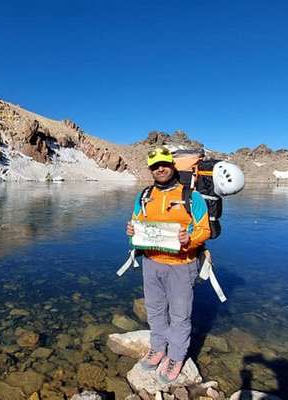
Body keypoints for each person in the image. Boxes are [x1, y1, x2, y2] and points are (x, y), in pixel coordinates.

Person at [126, 147, 211, 383]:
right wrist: (131, 230)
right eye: (154, 166)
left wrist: (190, 239)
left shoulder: (191, 197)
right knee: (154, 309)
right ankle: (157, 348)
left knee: (180, 315)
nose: (159, 169)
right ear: (150, 170)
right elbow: (136, 223)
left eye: (163, 164)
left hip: (182, 264)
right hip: (151, 263)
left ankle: (176, 356)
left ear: (172, 166)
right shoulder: (144, 196)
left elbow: (204, 230)